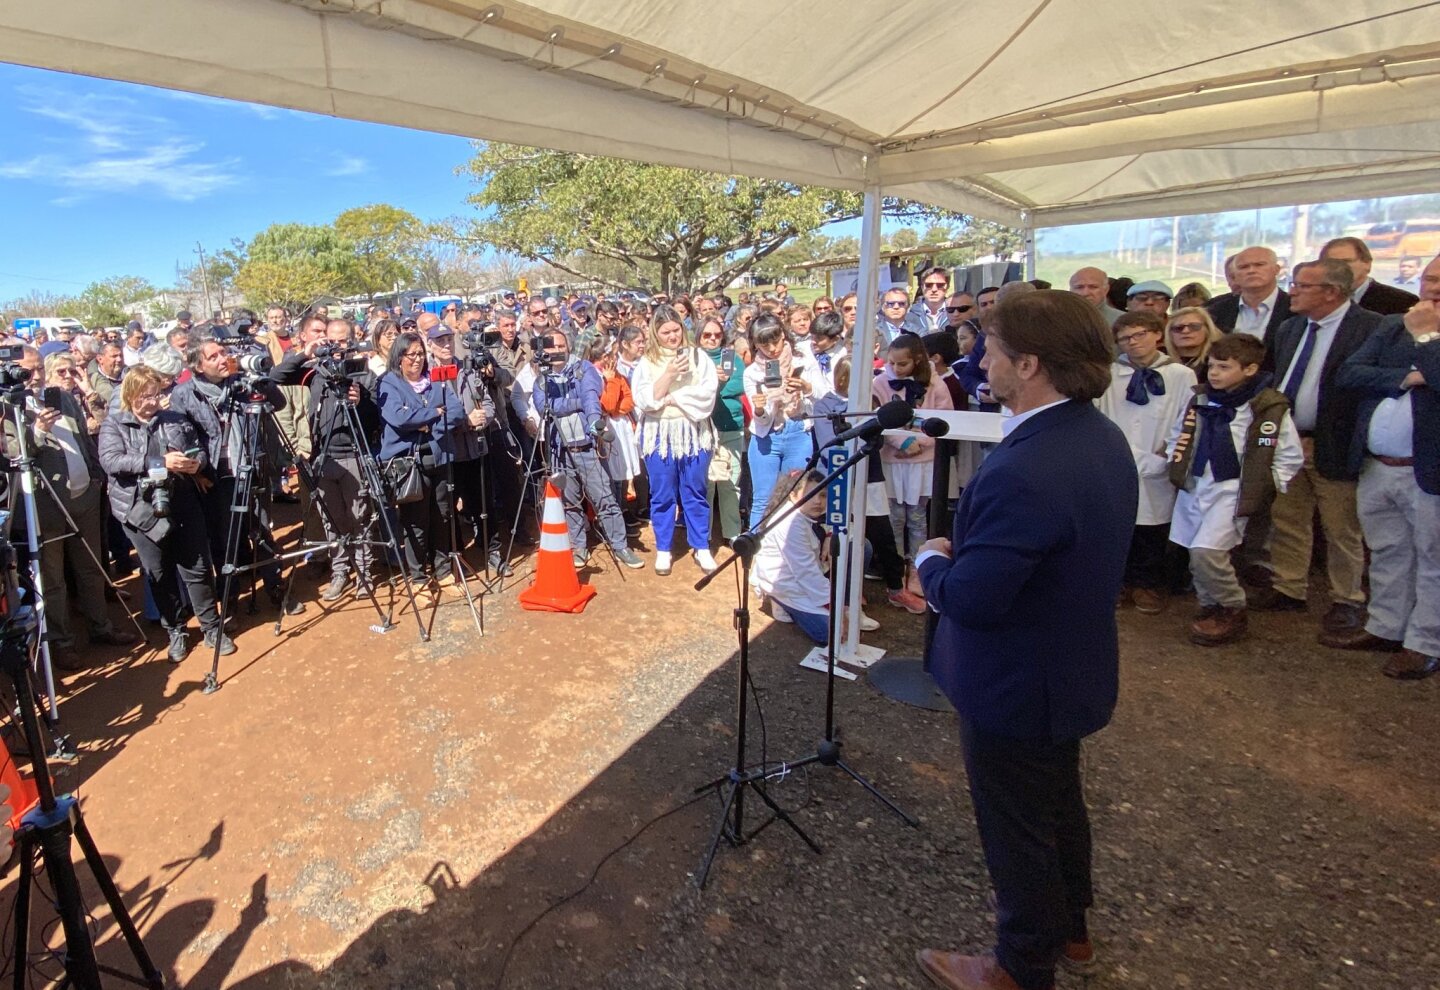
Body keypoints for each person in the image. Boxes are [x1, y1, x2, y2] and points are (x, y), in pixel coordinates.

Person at [914, 290, 1138, 990]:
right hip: (1065, 666)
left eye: (993, 349)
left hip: (1017, 681)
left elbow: (975, 599)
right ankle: (1071, 929)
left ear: (1031, 363)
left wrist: (932, 563)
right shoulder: (1094, 436)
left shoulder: (1027, 467)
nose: (982, 358)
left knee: (1018, 828)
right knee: (1058, 804)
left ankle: (1019, 966)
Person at [1246, 259, 1380, 636]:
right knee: (1288, 518)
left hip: (1335, 444)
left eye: (1302, 285)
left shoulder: (1369, 328)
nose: (1293, 291)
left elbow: (1362, 389)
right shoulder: (1291, 328)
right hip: (1288, 441)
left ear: (1331, 292)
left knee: (1341, 528)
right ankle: (1289, 587)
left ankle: (1346, 598)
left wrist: (1319, 436)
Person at [1332, 252, 1440, 679]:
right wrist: (1409, 377)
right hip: (1378, 465)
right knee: (1387, 551)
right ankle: (1386, 627)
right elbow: (1350, 372)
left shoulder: (1416, 330)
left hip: (1428, 471)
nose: (1433, 286)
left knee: (1433, 559)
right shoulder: (1393, 324)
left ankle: (1425, 643)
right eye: (1430, 277)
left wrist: (1428, 341)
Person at [2, 350, 137, 671]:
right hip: (45, 506)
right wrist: (36, 431)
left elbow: (85, 440)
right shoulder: (8, 408)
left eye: (38, 370)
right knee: (53, 579)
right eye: (28, 371)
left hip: (84, 497)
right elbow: (13, 453)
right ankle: (61, 643)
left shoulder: (63, 398)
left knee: (89, 568)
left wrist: (95, 475)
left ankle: (101, 627)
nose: (34, 377)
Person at [1166, 333, 1304, 646]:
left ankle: (1232, 605)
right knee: (1193, 549)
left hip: (1232, 489)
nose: (1214, 373)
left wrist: (1267, 484)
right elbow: (1180, 434)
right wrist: (1177, 462)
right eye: (1212, 366)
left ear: (1250, 370)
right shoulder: (1200, 399)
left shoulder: (1266, 408)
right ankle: (1209, 604)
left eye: (1224, 367)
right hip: (1197, 483)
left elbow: (1284, 452)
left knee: (1208, 550)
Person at [97, 366, 232, 661]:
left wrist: (197, 465)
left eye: (157, 394)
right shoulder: (115, 424)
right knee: (159, 572)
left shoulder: (175, 419)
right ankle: (177, 631)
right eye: (146, 396)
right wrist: (159, 461)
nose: (154, 401)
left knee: (197, 568)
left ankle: (211, 628)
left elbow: (198, 449)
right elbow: (110, 460)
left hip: (183, 501)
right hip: (140, 509)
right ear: (131, 395)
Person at [169, 335, 300, 616]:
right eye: (213, 356)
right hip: (217, 476)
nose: (222, 359)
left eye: (223, 353)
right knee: (224, 541)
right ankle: (229, 599)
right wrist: (199, 473)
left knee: (263, 532)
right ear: (198, 365)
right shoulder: (184, 393)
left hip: (254, 468)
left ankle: (275, 587)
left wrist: (260, 378)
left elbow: (277, 403)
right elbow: (181, 437)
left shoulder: (241, 383)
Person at [272, 318, 383, 601]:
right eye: (331, 341)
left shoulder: (363, 372)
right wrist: (305, 353)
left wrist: (361, 403)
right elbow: (276, 377)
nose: (336, 347)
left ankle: (365, 575)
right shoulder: (314, 372)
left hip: (354, 456)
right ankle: (339, 573)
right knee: (332, 522)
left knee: (359, 518)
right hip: (323, 458)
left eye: (342, 341)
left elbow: (375, 420)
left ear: (352, 341)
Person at [1096, 312, 1196, 614]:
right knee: (1117, 524)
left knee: (1152, 527)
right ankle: (1118, 582)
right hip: (1119, 457)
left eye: (1139, 334)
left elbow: (1186, 416)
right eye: (1125, 338)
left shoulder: (1179, 374)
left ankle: (1148, 583)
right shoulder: (1110, 374)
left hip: (1159, 458)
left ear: (1157, 334)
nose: (1133, 342)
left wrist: (1167, 453)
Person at [529, 329, 644, 570]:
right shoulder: (542, 377)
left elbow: (591, 399)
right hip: (559, 448)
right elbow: (545, 408)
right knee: (569, 501)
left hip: (586, 447)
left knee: (604, 498)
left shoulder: (584, 369)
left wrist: (591, 419)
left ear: (568, 346)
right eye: (550, 346)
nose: (557, 350)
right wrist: (575, 403)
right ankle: (579, 545)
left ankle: (620, 544)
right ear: (543, 350)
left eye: (561, 345)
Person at [376, 332, 473, 601]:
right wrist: (434, 414)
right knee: (415, 523)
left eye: (420, 354)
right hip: (410, 464)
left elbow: (456, 412)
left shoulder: (436, 380)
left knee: (442, 516)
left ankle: (442, 573)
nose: (417, 360)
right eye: (411, 355)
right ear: (399, 357)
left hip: (440, 458)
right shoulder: (388, 383)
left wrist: (422, 421)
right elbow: (397, 417)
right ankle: (418, 578)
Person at [630, 306, 719, 576]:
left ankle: (701, 546)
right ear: (656, 334)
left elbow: (706, 395)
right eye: (665, 332)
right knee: (663, 494)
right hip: (660, 437)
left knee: (695, 491)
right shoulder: (647, 362)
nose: (672, 337)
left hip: (693, 433)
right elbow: (645, 400)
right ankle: (665, 549)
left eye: (676, 330)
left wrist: (672, 398)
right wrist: (668, 374)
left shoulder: (700, 357)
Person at [872, 333, 953, 571]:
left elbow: (945, 420)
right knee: (895, 516)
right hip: (893, 460)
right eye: (893, 363)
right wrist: (902, 443)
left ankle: (919, 567)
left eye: (902, 364)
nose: (896, 369)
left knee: (917, 517)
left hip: (922, 462)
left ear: (917, 360)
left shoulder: (936, 384)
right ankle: (896, 567)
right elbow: (877, 417)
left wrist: (920, 443)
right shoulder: (880, 383)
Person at [742, 314, 822, 528]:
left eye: (775, 340)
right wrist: (760, 406)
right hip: (766, 436)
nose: (772, 348)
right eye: (764, 343)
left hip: (798, 431)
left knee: (795, 496)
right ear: (755, 344)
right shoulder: (752, 372)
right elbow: (763, 417)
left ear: (783, 334)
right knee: (763, 498)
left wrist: (805, 387)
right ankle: (757, 553)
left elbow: (822, 393)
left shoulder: (803, 358)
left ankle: (793, 550)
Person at [699, 316, 746, 546]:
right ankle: (703, 535)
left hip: (731, 427)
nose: (712, 339)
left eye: (717, 334)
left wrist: (718, 387)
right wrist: (715, 385)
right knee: (705, 484)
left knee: (730, 481)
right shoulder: (695, 359)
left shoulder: (732, 357)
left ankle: (732, 532)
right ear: (699, 336)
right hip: (703, 429)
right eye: (707, 335)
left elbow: (739, 385)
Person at [1206, 246, 1293, 347]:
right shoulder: (1215, 311)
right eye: (1243, 267)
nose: (1251, 271)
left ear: (1276, 269)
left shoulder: (1294, 309)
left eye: (1259, 265)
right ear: (1234, 275)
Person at [1319, 236, 1418, 316]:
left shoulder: (1402, 302)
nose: (1339, 268)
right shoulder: (1314, 300)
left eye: (1346, 262)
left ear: (1367, 264)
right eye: (1332, 263)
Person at [1163, 307, 1224, 375]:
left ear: (1208, 330)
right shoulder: (1160, 361)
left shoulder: (1220, 360)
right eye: (1178, 328)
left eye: (1194, 326)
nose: (1186, 331)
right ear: (1169, 333)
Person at [909, 266, 952, 333]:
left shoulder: (956, 313)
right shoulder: (909, 316)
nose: (934, 289)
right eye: (929, 285)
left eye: (940, 285)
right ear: (922, 287)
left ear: (947, 287)